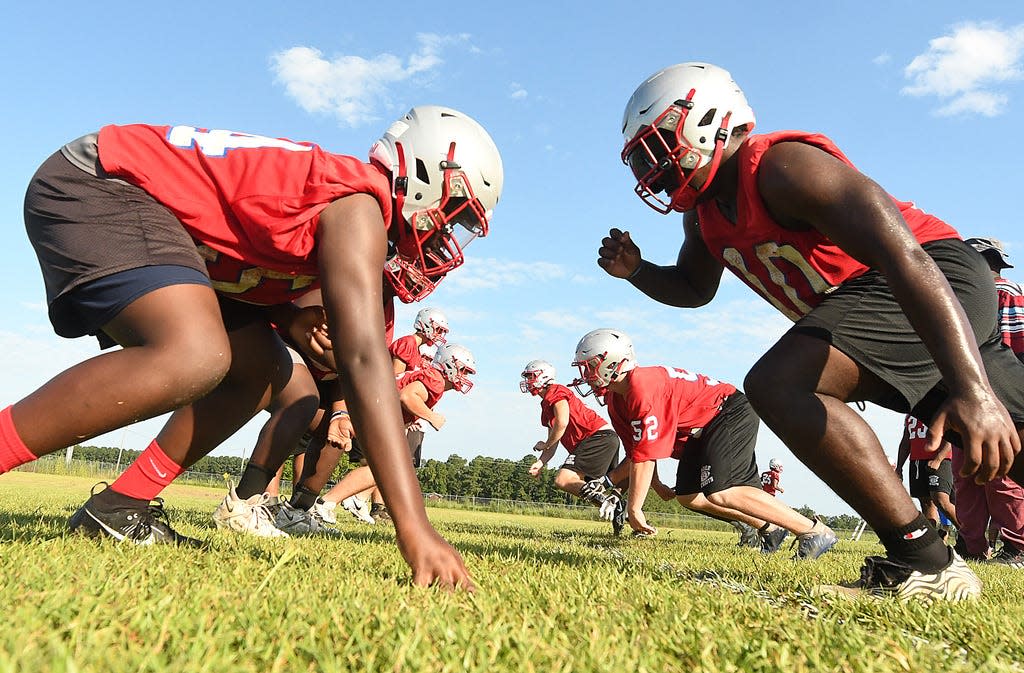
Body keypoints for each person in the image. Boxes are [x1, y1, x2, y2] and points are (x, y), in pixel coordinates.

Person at [2, 105, 503, 590]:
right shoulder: (360, 205)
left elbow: (237, 242)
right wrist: (413, 526)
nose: (446, 237)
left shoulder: (349, 209)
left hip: (155, 216)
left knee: (271, 372)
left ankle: (119, 506)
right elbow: (364, 361)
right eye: (454, 215)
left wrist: (288, 316)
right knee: (195, 353)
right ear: (425, 173)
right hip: (100, 181)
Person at [600, 61, 1024, 599]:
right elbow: (693, 288)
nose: (653, 167)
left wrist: (970, 388)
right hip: (904, 304)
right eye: (642, 157)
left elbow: (905, 256)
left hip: (932, 279)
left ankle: (925, 561)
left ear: (709, 119)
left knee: (782, 382)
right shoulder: (706, 214)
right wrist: (637, 270)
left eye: (658, 146)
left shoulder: (783, 167)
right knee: (1008, 439)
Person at [571, 328, 838, 558]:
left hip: (726, 410)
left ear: (614, 363)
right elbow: (638, 451)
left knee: (724, 490)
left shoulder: (642, 386)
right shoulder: (618, 399)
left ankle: (813, 531)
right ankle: (769, 527)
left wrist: (635, 507)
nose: (586, 374)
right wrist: (658, 485)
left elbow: (645, 456)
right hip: (705, 426)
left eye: (590, 366)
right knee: (690, 497)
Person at [315, 343, 478, 518]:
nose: (465, 376)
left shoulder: (432, 378)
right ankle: (327, 503)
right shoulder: (436, 380)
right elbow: (406, 396)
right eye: (464, 371)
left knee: (386, 469)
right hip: (376, 414)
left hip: (377, 412)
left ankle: (353, 498)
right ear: (449, 365)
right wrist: (431, 417)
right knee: (384, 469)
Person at [947, 237, 1024, 567]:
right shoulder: (966, 293)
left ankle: (1017, 546)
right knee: (967, 472)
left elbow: (1016, 346)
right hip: (971, 391)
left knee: (997, 473)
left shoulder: (1005, 292)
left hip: (997, 392)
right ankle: (971, 545)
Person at [519, 359, 627, 534]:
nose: (528, 380)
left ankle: (613, 504)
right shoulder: (546, 402)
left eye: (531, 376)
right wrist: (541, 462)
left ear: (544, 377)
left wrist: (545, 444)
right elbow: (554, 439)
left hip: (596, 437)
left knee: (564, 480)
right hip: (603, 438)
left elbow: (561, 423)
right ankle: (626, 515)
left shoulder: (555, 392)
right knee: (586, 487)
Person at [894, 415, 959, 532]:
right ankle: (934, 543)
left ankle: (970, 536)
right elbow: (905, 441)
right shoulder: (910, 415)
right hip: (917, 462)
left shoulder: (938, 409)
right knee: (926, 503)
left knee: (941, 499)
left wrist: (938, 459)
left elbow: (950, 438)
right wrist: (899, 467)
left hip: (939, 460)